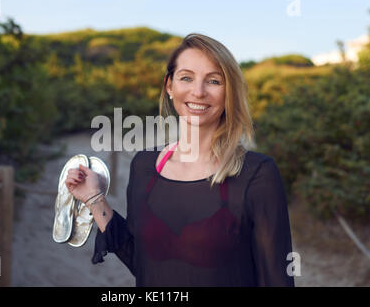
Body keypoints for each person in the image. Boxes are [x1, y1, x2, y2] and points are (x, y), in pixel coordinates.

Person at [65, 33, 295, 287]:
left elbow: (277, 278)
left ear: (229, 91)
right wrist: (94, 199)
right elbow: (142, 264)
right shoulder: (143, 166)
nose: (198, 92)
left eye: (214, 81)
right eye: (186, 78)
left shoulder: (257, 174)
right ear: (169, 86)